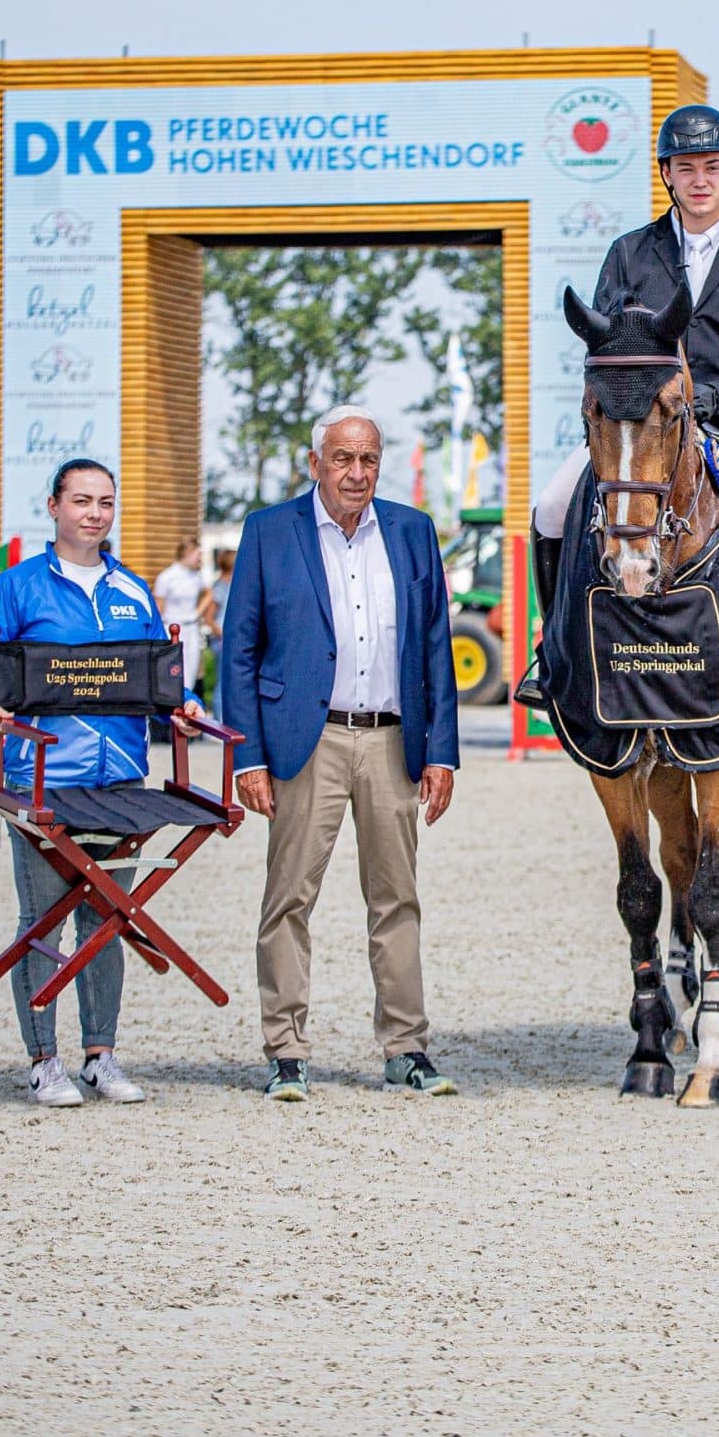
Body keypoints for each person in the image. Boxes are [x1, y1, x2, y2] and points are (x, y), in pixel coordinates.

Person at [521, 103, 719, 705]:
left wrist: (710, 396)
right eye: (686, 167)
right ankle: (551, 656)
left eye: (712, 166)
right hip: (639, 426)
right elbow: (604, 344)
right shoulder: (630, 252)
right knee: (550, 507)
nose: (700, 179)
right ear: (668, 175)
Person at [220, 407, 459, 1103]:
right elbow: (238, 652)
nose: (357, 472)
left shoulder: (413, 532)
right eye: (343, 458)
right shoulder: (269, 532)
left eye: (369, 459)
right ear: (315, 462)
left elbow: (436, 647)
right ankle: (286, 1050)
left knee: (397, 898)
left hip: (392, 740)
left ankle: (406, 1047)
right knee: (289, 898)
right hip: (307, 739)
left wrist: (441, 751)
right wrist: (248, 758)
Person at [0, 457, 192, 1108]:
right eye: (81, 500)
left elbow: (161, 678)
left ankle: (100, 1055)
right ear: (53, 505)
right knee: (43, 921)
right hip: (42, 783)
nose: (93, 512)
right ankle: (43, 1060)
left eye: (104, 501)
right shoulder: (16, 587)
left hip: (120, 780)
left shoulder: (135, 591)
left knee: (106, 917)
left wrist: (186, 705)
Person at [153, 536, 209, 708]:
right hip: (172, 628)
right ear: (187, 553)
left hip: (191, 628)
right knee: (173, 673)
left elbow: (209, 593)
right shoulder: (167, 576)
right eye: (197, 554)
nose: (200, 559)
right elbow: (158, 607)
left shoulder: (196, 577)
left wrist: (197, 613)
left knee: (190, 675)